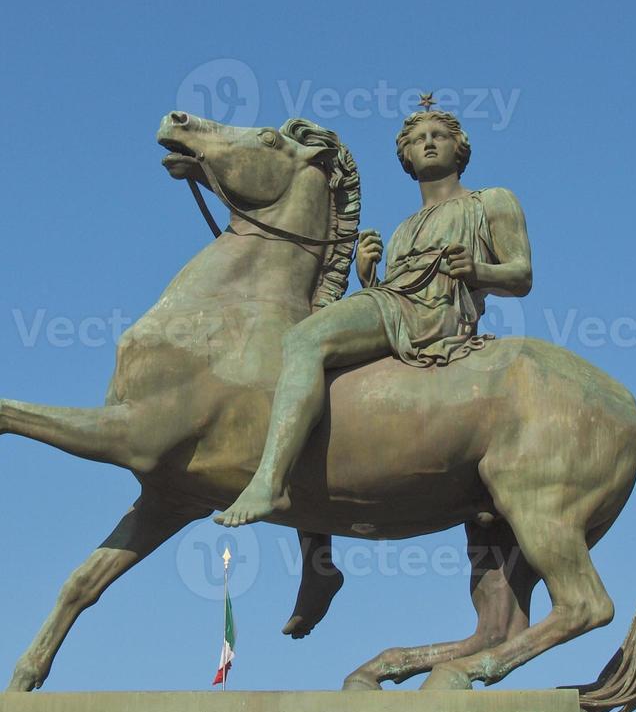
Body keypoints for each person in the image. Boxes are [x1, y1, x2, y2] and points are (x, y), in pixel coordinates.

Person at [216, 101, 534, 531]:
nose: (428, 144)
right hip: (395, 304)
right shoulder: (404, 228)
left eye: (438, 136)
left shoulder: (491, 201)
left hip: (435, 314)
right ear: (405, 155)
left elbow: (521, 275)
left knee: (303, 339)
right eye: (418, 140)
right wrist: (369, 278)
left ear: (460, 147)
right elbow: (393, 293)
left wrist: (479, 270)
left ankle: (270, 481)